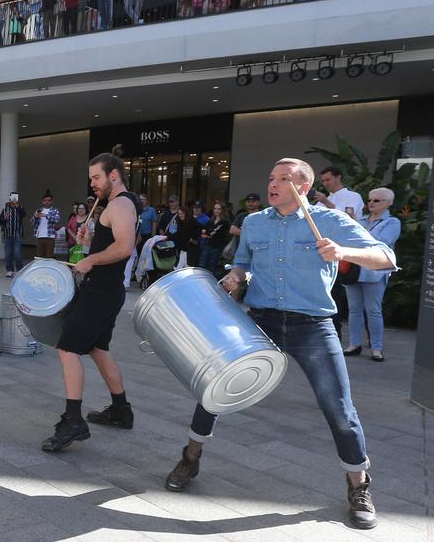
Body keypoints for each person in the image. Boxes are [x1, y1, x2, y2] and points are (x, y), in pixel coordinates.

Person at [162, 159, 396, 531]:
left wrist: (343, 252)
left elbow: (386, 258)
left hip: (313, 325)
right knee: (214, 388)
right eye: (271, 178)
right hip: (261, 319)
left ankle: (359, 485)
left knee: (339, 407)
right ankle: (190, 457)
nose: (273, 184)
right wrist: (236, 277)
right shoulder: (255, 223)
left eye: (283, 179)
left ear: (303, 187)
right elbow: (242, 264)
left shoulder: (330, 220)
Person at [41, 153, 138, 452]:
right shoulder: (117, 205)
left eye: (96, 177)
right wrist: (88, 243)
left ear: (113, 175)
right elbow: (112, 244)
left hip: (101, 292)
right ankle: (121, 410)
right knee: (98, 349)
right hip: (107, 290)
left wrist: (91, 259)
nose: (92, 183)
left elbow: (125, 247)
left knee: (69, 349)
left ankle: (73, 421)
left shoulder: (121, 204)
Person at [343, 188, 400, 362]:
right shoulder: (360, 220)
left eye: (377, 200)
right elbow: (346, 238)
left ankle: (377, 348)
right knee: (354, 310)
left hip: (375, 271)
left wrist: (357, 232)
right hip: (354, 270)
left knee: (373, 310)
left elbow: (383, 241)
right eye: (370, 200)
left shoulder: (392, 222)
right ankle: (354, 344)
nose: (371, 203)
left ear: (388, 203)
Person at [199, 202, 230, 277]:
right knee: (202, 266)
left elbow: (211, 232)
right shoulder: (212, 220)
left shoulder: (224, 221)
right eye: (215, 209)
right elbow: (203, 230)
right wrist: (206, 233)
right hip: (208, 245)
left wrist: (206, 234)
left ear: (223, 210)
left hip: (216, 247)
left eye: (219, 209)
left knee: (211, 268)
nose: (216, 210)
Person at [1, 193, 25, 277]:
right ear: (9, 198)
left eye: (16, 197)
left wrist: (17, 206)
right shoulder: (5, 209)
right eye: (12, 198)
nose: (14, 199)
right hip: (8, 235)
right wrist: (5, 218)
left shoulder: (20, 208)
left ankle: (19, 270)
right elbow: (1, 222)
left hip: (17, 234)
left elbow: (23, 215)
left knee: (17, 253)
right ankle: (10, 270)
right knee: (7, 254)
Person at [32, 193, 61, 260]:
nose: (47, 202)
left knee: (49, 257)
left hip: (50, 236)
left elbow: (57, 219)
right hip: (40, 236)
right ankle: (41, 270)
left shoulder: (55, 210)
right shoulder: (39, 210)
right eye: (45, 200)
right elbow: (32, 222)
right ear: (42, 201)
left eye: (49, 200)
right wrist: (35, 217)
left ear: (51, 201)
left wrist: (46, 215)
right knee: (39, 257)